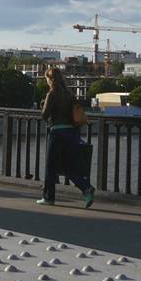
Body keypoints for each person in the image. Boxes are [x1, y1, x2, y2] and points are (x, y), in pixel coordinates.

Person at [39, 67, 95, 207]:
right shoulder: (69, 94)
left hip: (57, 133)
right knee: (68, 166)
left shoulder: (52, 94)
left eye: (46, 78)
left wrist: (43, 105)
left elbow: (44, 115)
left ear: (50, 79)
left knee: (51, 166)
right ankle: (86, 188)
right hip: (71, 134)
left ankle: (48, 197)